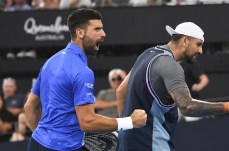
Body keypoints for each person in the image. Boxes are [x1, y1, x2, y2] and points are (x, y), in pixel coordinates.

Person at [24, 8, 147, 151]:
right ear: (80, 32)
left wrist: (44, 139)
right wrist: (130, 122)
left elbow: (29, 106)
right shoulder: (83, 72)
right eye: (97, 29)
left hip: (36, 144)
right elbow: (87, 122)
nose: (103, 34)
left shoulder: (51, 61)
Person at [116, 22, 229, 151]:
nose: (201, 51)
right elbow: (187, 106)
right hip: (153, 146)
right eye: (198, 44)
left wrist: (127, 128)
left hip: (127, 144)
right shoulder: (171, 66)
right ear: (185, 40)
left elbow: (120, 91)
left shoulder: (147, 53)